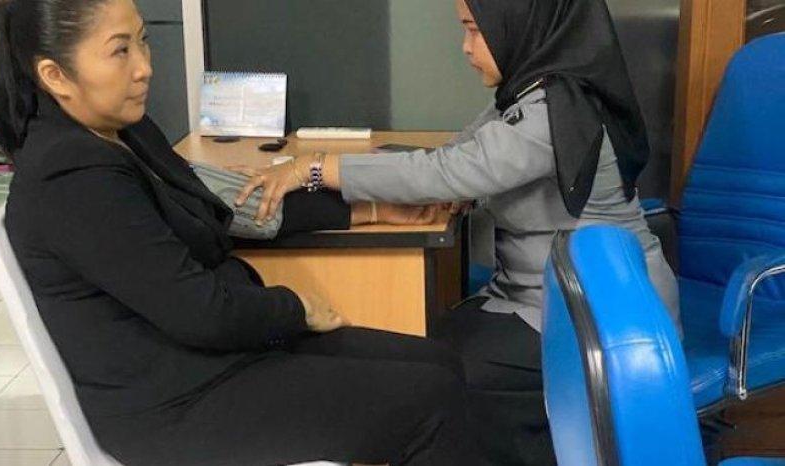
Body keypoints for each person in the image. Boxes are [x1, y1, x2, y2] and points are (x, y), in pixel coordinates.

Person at [0, 0, 481, 464]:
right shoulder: (70, 176)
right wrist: (296, 308)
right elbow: (199, 312)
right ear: (55, 75)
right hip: (175, 404)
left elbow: (222, 208)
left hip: (217, 359)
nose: (144, 67)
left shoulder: (124, 133)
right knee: (431, 400)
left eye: (143, 41)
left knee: (441, 365)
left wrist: (370, 209)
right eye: (120, 50)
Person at [237, 0, 681, 464]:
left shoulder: (556, 110)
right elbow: (458, 157)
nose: (466, 48)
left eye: (475, 30)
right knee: (420, 348)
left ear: (518, 26)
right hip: (540, 298)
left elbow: (446, 171)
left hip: (599, 313)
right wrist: (437, 182)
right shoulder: (531, 93)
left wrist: (314, 169)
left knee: (436, 375)